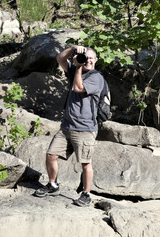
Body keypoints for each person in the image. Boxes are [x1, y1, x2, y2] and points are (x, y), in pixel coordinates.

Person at [33, 45, 104, 207]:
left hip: (85, 128)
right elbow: (60, 59)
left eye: (91, 58)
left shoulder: (96, 78)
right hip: (67, 126)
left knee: (86, 163)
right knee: (51, 155)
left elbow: (79, 88)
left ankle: (86, 194)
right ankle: (53, 184)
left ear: (95, 61)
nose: (88, 60)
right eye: (86, 57)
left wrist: (78, 67)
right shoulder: (74, 69)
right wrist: (73, 49)